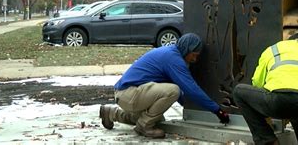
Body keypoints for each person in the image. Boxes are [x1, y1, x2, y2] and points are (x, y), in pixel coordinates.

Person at [99, 33, 230, 139]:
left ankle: (111, 113)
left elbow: (178, 89)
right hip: (129, 93)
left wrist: (188, 107)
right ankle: (143, 126)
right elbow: (190, 89)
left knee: (157, 118)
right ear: (187, 49)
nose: (195, 59)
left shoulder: (171, 53)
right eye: (194, 55)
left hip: (126, 94)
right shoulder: (174, 59)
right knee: (173, 91)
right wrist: (217, 110)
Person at [233, 32, 298, 145]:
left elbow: (257, 82)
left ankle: (267, 140)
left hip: (280, 100)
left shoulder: (275, 49)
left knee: (239, 92)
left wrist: (263, 108)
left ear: (288, 41)